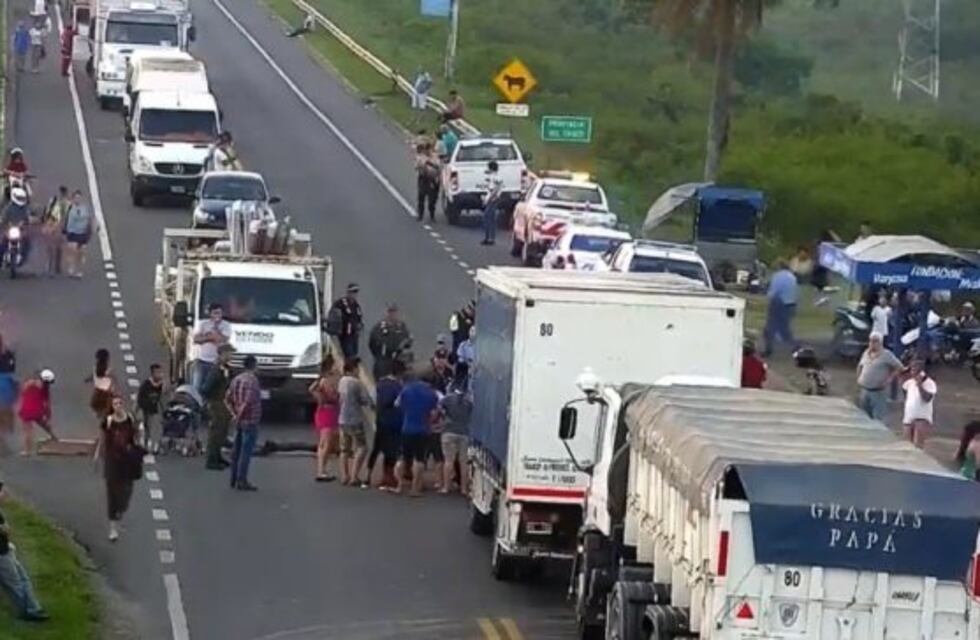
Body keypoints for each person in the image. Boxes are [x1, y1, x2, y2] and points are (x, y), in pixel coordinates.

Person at [0, 480, 49, 621]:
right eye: (1, 492)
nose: (4, 494)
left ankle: (33, 608)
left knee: (23, 578)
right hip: (2, 555)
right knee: (14, 583)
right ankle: (27, 611)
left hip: (6, 550)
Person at [96, 395, 140, 541]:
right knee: (112, 494)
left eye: (120, 403)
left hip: (127, 461)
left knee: (126, 490)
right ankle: (113, 529)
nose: (118, 406)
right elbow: (102, 439)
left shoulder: (129, 419)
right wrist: (97, 455)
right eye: (115, 404)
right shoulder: (108, 422)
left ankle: (122, 507)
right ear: (112, 406)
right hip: (112, 461)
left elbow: (135, 437)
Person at [395, 372, 439, 496]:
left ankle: (399, 485)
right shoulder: (431, 394)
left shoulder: (406, 390)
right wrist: (428, 421)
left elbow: (397, 405)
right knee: (419, 460)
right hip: (422, 430)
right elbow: (434, 413)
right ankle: (414, 488)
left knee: (403, 457)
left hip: (406, 428)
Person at [225, 355, 262, 491]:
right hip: (250, 420)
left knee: (236, 450)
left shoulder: (237, 379)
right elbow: (247, 402)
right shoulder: (252, 381)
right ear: (254, 365)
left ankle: (233, 478)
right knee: (246, 451)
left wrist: (233, 414)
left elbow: (227, 398)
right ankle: (242, 480)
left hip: (240, 421)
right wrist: (239, 415)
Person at [366, 360, 403, 490]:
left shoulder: (379, 384)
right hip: (394, 424)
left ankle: (367, 476)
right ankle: (387, 477)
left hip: (380, 421)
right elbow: (399, 405)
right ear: (399, 373)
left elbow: (371, 402)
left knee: (376, 449)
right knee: (391, 451)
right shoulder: (399, 387)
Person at [338, 358, 373, 487]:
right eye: (357, 368)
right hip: (355, 419)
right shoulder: (356, 383)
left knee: (344, 449)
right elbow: (365, 400)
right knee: (362, 447)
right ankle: (354, 476)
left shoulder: (341, 381)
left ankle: (344, 475)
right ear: (352, 369)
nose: (359, 370)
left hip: (342, 419)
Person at [856, 332, 903, 421]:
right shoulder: (866, 353)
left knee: (878, 417)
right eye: (871, 341)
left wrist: (889, 379)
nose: (872, 343)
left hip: (878, 391)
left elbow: (899, 367)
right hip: (864, 390)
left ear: (880, 342)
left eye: (875, 341)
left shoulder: (887, 355)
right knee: (863, 416)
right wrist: (859, 377)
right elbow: (860, 365)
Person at [202, 344, 234, 471]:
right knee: (216, 432)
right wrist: (212, 400)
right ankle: (211, 460)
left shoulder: (225, 368)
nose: (231, 356)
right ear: (222, 354)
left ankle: (218, 456)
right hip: (216, 403)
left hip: (224, 403)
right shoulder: (216, 370)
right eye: (229, 353)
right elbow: (206, 388)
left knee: (223, 432)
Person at [309, 355, 340, 482]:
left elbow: (312, 390)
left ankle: (322, 470)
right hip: (328, 413)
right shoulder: (327, 381)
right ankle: (321, 471)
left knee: (323, 442)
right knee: (326, 443)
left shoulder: (321, 380)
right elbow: (332, 397)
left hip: (324, 412)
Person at [438, 383, 471, 495]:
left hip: (449, 431)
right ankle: (464, 489)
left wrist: (445, 417)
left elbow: (438, 408)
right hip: (464, 433)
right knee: (464, 462)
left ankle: (446, 487)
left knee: (448, 461)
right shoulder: (469, 401)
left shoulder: (447, 399)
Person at [762, 260, 799, 357]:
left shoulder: (778, 276)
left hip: (779, 304)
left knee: (770, 329)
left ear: (779, 266)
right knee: (784, 330)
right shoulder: (792, 276)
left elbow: (773, 292)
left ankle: (769, 350)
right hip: (790, 304)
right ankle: (795, 347)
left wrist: (766, 294)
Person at [192, 303, 232, 391]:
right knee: (196, 387)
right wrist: (210, 337)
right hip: (202, 360)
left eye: (219, 313)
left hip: (216, 363)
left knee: (208, 388)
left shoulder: (226, 325)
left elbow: (222, 339)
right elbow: (196, 339)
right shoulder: (203, 324)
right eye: (215, 313)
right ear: (210, 314)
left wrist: (215, 330)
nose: (218, 315)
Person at [368, 303, 413, 381]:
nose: (392, 314)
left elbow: (408, 340)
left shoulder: (401, 327)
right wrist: (379, 355)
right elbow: (372, 344)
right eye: (390, 312)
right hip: (383, 360)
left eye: (394, 312)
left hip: (398, 360)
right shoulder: (379, 328)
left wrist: (404, 345)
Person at [17, 370, 57, 456]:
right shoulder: (45, 388)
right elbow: (47, 403)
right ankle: (53, 437)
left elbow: (22, 391)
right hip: (38, 411)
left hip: (26, 410)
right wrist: (48, 416)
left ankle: (27, 451)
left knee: (27, 431)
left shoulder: (28, 384)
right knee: (44, 424)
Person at [901, 359, 936, 449]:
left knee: (918, 445)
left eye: (914, 369)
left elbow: (927, 398)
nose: (912, 371)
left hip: (921, 417)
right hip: (908, 417)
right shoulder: (909, 383)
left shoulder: (929, 383)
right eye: (911, 369)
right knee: (906, 445)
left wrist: (920, 385)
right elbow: (906, 395)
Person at [62, 190, 95, 278]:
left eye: (79, 198)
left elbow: (90, 219)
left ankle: (79, 270)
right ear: (73, 199)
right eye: (76, 198)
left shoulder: (85, 208)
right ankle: (72, 268)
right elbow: (64, 217)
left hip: (83, 233)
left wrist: (93, 227)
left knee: (81, 252)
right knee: (73, 251)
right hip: (72, 232)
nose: (77, 199)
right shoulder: (69, 207)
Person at [327, 283, 363, 360]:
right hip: (344, 335)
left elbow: (359, 318)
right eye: (352, 292)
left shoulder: (356, 306)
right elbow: (334, 315)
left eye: (355, 292)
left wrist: (359, 326)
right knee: (348, 355)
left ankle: (350, 368)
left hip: (353, 335)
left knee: (353, 354)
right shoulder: (341, 303)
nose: (354, 294)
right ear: (348, 292)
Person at [41, 185, 70, 276]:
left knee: (58, 247)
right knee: (50, 246)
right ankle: (49, 265)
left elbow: (66, 216)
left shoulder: (67, 204)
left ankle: (56, 266)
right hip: (50, 223)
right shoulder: (53, 201)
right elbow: (47, 211)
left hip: (59, 225)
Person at [136, 364, 165, 453]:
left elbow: (162, 397)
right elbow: (139, 398)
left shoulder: (161, 385)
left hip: (153, 409)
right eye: (158, 373)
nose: (160, 375)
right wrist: (139, 409)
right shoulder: (146, 385)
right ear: (152, 374)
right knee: (145, 427)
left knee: (153, 427)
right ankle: (143, 445)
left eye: (161, 372)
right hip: (144, 409)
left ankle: (153, 445)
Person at [87, 348, 115, 424]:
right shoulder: (108, 369)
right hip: (106, 394)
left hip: (98, 392)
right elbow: (112, 381)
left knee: (99, 410)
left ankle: (102, 421)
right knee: (107, 414)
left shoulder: (96, 367)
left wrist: (88, 379)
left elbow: (94, 376)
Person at [415, 141, 441, 223]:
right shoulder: (421, 157)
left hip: (433, 179)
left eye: (429, 149)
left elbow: (438, 167)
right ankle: (420, 215)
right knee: (421, 197)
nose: (427, 151)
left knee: (432, 199)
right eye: (426, 150)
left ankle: (432, 215)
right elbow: (417, 166)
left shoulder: (435, 157)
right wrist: (422, 165)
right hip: (423, 179)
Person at [480, 161, 503, 246]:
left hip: (492, 199)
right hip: (492, 198)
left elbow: (495, 189)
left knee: (488, 218)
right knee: (491, 219)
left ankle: (489, 238)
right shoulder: (493, 176)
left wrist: (489, 199)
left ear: (491, 168)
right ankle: (489, 238)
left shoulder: (495, 177)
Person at [0, 369, 17, 456]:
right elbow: (16, 388)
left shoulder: (8, 378)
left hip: (5, 405)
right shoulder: (8, 378)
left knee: (3, 427)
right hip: (5, 405)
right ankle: (4, 447)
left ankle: (4, 447)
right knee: (4, 427)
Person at [454, 325, 476, 391]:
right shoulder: (463, 345)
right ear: (469, 332)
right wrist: (468, 364)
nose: (473, 333)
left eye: (475, 331)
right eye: (472, 331)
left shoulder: (480, 346)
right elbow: (460, 359)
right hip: (465, 373)